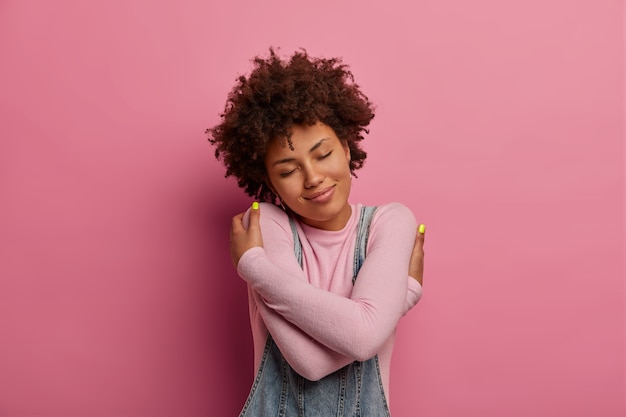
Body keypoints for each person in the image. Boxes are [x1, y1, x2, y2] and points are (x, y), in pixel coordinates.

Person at [207, 48, 425, 416]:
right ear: (269, 182)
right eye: (289, 170)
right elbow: (309, 363)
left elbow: (364, 338)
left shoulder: (390, 221)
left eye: (323, 154)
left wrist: (255, 268)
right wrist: (399, 299)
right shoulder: (269, 225)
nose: (313, 178)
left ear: (345, 146)